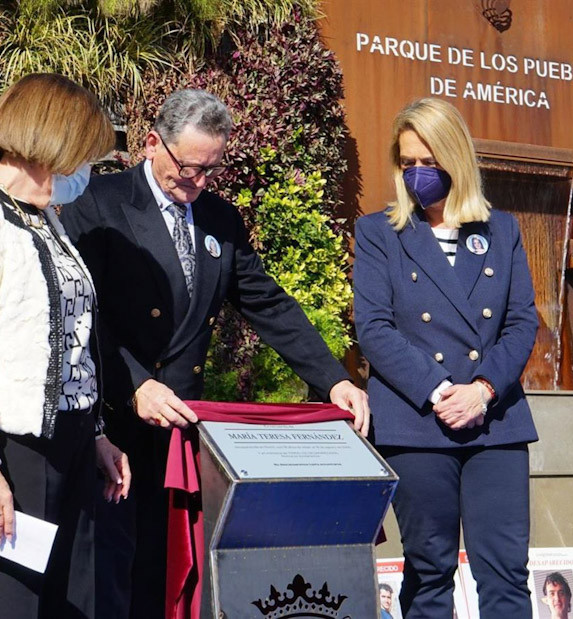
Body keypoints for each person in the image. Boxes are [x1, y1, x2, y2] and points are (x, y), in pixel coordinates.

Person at [62, 88, 370, 618]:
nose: (198, 182)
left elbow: (267, 302)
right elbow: (82, 318)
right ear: (153, 142)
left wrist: (333, 379)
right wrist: (134, 383)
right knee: (113, 582)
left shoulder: (219, 219)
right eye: (189, 168)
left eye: (211, 170)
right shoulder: (99, 203)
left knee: (171, 580)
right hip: (112, 429)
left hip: (182, 434)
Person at [0, 73, 132, 618]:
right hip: (13, 455)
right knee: (10, 607)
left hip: (72, 448)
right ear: (50, 140)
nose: (85, 172)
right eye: (82, 155)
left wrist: (98, 434)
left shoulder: (45, 222)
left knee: (75, 602)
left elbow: (73, 342)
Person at [353, 96, 538, 618]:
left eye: (428, 163)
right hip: (417, 422)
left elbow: (522, 321)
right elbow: (374, 327)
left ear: (455, 159)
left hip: (493, 422)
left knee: (504, 573)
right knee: (429, 571)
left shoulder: (501, 230)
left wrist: (481, 391)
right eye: (407, 163)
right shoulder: (378, 233)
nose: (417, 174)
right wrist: (440, 390)